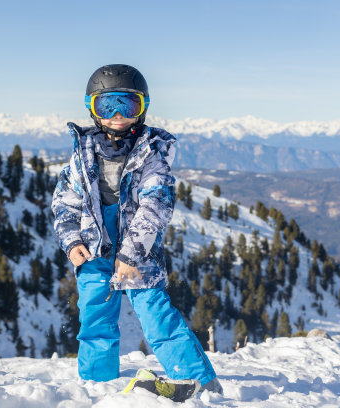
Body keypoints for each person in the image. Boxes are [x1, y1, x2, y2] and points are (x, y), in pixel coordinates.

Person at [51, 64, 222, 393]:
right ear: (92, 110)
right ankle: (97, 383)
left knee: (156, 315)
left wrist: (130, 254)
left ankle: (198, 380)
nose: (117, 115)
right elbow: (64, 203)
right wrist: (71, 241)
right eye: (107, 105)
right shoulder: (81, 155)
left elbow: (154, 207)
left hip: (138, 254)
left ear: (142, 108)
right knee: (94, 317)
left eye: (127, 105)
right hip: (93, 250)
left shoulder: (151, 155)